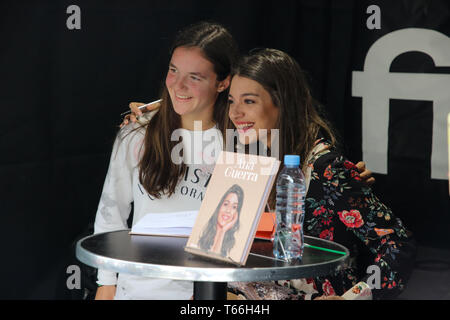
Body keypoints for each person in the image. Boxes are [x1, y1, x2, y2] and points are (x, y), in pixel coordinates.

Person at [223, 48, 416, 300]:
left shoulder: (327, 168)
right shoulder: (247, 164)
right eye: (231, 101)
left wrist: (354, 298)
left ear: (283, 102)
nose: (235, 113)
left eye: (248, 101)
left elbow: (398, 245)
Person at [93, 21, 238, 300]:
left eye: (195, 77)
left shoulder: (237, 143)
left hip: (208, 293)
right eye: (174, 70)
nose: (178, 85)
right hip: (135, 290)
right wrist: (106, 284)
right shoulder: (136, 134)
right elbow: (111, 215)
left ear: (223, 82)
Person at [198, 184, 244, 256]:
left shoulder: (233, 246)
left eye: (234, 207)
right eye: (226, 204)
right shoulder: (203, 233)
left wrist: (223, 231)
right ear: (219, 206)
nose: (228, 210)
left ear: (237, 213)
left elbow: (215, 256)